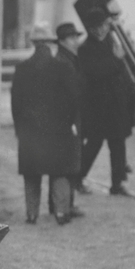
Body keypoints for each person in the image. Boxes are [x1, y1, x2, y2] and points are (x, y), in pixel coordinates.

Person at [11, 24, 81, 225]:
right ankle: (61, 213)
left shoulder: (22, 69)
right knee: (59, 172)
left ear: (33, 43)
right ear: (52, 43)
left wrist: (20, 130)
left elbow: (16, 105)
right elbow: (73, 100)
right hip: (58, 131)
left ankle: (31, 214)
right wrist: (70, 124)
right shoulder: (63, 67)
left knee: (32, 174)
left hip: (30, 132)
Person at [77, 10, 135, 196]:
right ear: (93, 29)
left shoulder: (110, 40)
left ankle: (117, 184)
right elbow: (97, 72)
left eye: (105, 25)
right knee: (93, 144)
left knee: (118, 144)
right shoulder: (86, 48)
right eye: (100, 26)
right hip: (97, 106)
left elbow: (120, 71)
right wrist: (117, 59)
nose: (103, 29)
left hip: (115, 104)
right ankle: (78, 178)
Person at [54, 21, 87, 216]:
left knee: (69, 163)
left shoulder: (69, 59)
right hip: (68, 121)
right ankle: (64, 207)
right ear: (63, 41)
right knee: (67, 164)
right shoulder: (64, 61)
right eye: (72, 37)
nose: (76, 41)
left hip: (71, 119)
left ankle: (62, 205)